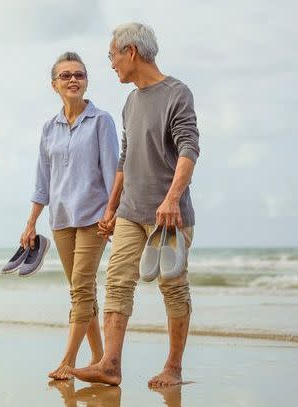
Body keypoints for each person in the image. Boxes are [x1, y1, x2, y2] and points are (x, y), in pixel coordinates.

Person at [71, 22, 201, 388]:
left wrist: (172, 198)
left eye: (112, 55)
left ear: (132, 52)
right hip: (130, 212)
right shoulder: (130, 101)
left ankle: (173, 368)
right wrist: (111, 208)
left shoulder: (177, 93)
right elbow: (125, 160)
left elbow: (190, 147)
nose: (111, 63)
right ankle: (110, 365)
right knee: (116, 282)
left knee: (173, 287)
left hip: (169, 216)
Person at [21, 51, 119, 380]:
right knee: (83, 291)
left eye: (79, 74)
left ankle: (67, 360)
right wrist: (31, 221)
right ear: (54, 85)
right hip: (61, 221)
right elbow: (42, 181)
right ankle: (99, 356)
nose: (73, 80)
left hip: (93, 218)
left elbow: (112, 172)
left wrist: (112, 213)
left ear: (87, 82)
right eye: (65, 76)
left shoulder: (101, 121)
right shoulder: (49, 129)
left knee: (81, 289)